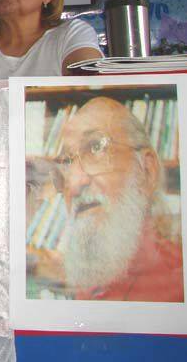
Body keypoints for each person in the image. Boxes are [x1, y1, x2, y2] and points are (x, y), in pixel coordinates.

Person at [53, 97, 183, 302]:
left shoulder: (177, 284)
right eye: (66, 162)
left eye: (96, 147)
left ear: (147, 171)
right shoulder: (90, 278)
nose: (74, 183)